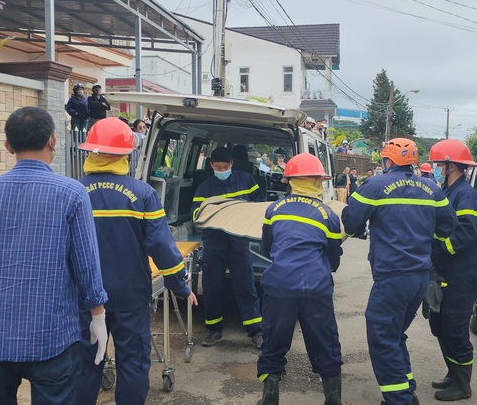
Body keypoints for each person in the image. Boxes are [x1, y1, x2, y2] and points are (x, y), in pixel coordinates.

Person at [0, 107, 109, 404]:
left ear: (8, 145)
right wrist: (98, 314)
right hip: (52, 335)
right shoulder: (72, 193)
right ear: (53, 141)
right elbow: (86, 264)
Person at [75, 118, 198, 405]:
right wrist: (180, 285)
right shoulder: (143, 194)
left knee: (85, 364)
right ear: (128, 154)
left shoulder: (73, 191)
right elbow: (162, 248)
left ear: (90, 151)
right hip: (130, 294)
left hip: (84, 296)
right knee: (132, 363)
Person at [341, 138, 457, 405]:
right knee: (394, 335)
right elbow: (447, 226)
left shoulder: (375, 185)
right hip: (419, 278)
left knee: (382, 336)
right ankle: (406, 389)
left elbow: (352, 222)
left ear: (388, 161)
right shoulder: (432, 188)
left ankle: (400, 399)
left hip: (392, 276)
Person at [257, 153, 343, 405]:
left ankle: (269, 400)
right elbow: (334, 257)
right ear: (318, 182)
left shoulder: (273, 210)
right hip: (316, 288)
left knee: (273, 342)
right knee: (325, 343)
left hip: (279, 286)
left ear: (290, 181)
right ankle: (333, 401)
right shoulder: (328, 215)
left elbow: (266, 248)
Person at [428, 139, 477, 402]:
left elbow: (467, 232)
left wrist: (440, 247)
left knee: (454, 328)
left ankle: (463, 385)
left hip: (463, 274)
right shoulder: (448, 190)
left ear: (451, 165)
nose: (438, 168)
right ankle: (454, 372)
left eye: (440, 164)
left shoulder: (467, 195)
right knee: (440, 324)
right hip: (448, 272)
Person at [191, 147, 264, 348]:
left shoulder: (246, 180)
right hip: (214, 243)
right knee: (212, 287)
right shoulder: (204, 188)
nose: (221, 169)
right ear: (211, 165)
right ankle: (214, 331)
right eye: (217, 167)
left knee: (246, 286)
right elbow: (196, 215)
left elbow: (259, 205)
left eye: (224, 166)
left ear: (231, 164)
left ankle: (255, 331)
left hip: (239, 242)